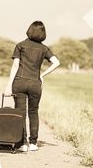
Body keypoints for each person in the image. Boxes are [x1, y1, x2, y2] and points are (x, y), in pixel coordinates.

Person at [4, 21, 60, 152]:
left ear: (29, 30)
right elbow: (57, 62)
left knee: (20, 113)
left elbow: (15, 66)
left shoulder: (20, 45)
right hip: (35, 83)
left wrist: (8, 85)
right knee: (33, 112)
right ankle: (33, 143)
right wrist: (43, 75)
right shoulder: (44, 49)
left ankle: (23, 144)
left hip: (19, 82)